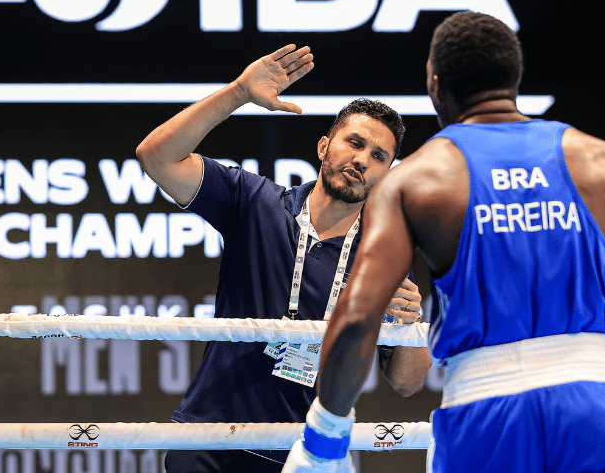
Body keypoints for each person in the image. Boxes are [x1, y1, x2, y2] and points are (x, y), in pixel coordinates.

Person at [283, 11, 605, 472]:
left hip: (485, 412)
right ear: (515, 76)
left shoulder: (417, 179)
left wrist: (324, 441)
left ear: (435, 83)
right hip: (600, 406)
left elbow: (357, 320)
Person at [136, 46, 432, 473]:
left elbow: (407, 382)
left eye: (378, 156)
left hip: (300, 457)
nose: (362, 160)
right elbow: (156, 156)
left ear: (388, 174)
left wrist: (410, 323)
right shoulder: (255, 201)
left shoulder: (383, 255)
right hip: (208, 439)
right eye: (355, 142)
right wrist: (238, 92)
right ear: (324, 146)